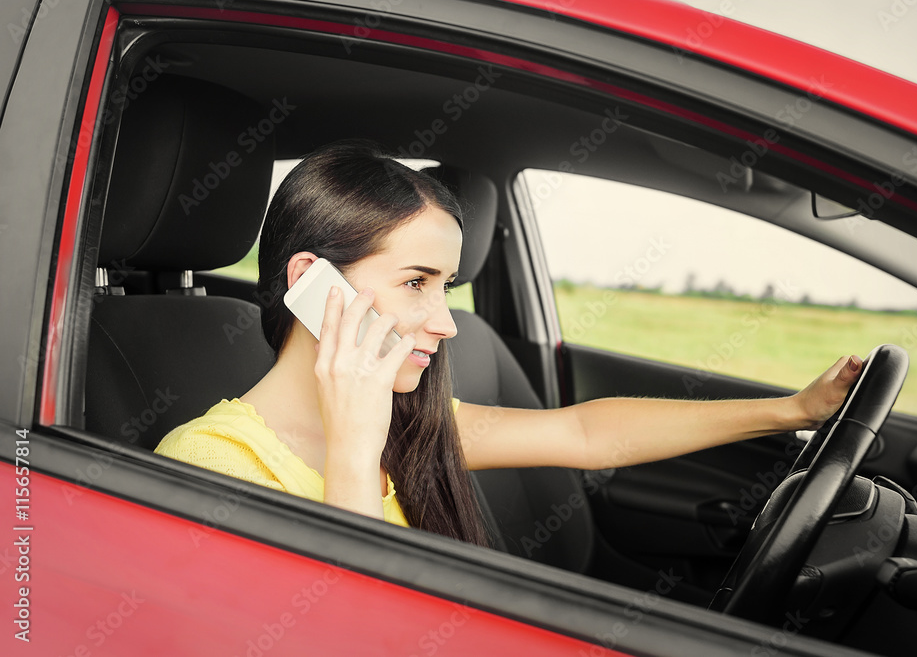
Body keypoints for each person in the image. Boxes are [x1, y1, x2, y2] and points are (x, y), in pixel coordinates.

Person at [155, 139, 864, 548]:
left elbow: (586, 434)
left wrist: (792, 411)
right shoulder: (211, 464)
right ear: (311, 282)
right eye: (415, 282)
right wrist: (352, 449)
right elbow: (354, 630)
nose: (446, 322)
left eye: (446, 287)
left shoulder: (413, 423)